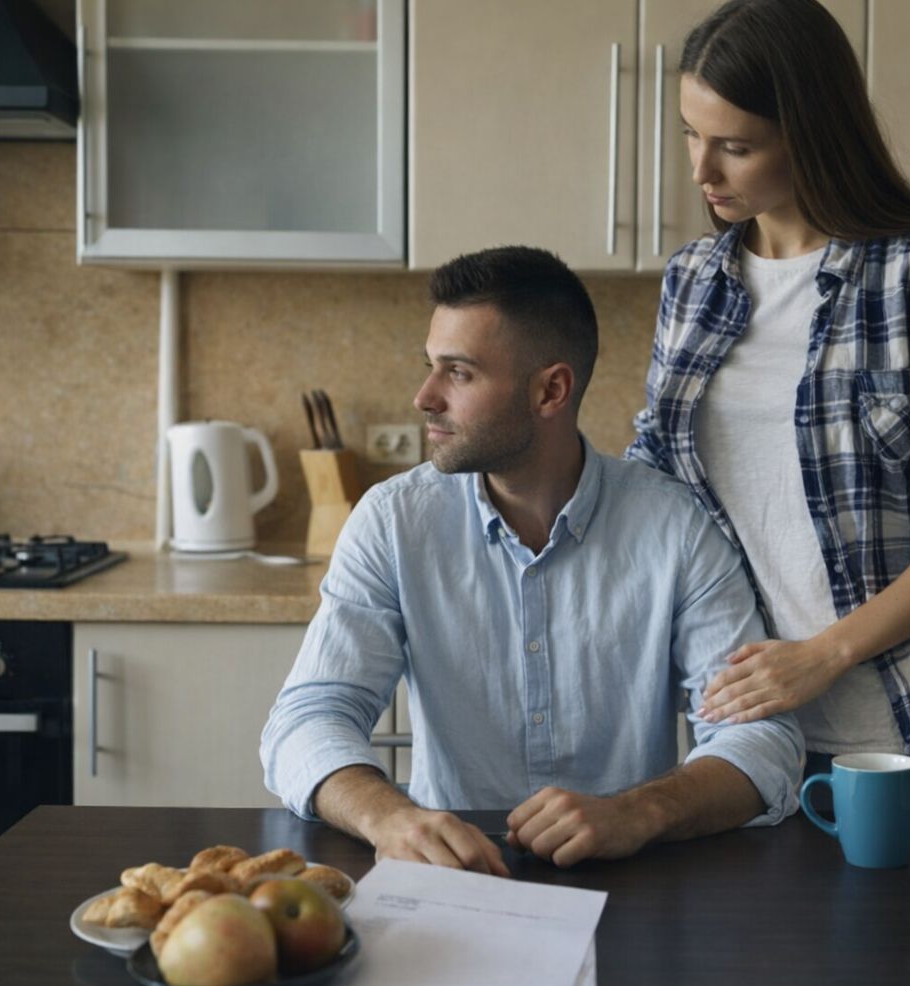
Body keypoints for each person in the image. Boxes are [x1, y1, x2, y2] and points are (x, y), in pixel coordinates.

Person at [261, 245, 803, 873]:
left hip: (629, 882)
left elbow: (763, 741)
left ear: (551, 390)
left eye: (458, 373)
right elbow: (307, 718)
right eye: (431, 366)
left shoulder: (674, 527)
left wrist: (636, 812)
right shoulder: (392, 521)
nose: (424, 397)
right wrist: (391, 817)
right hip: (450, 881)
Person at [627, 0, 910, 811]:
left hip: (881, 726)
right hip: (730, 725)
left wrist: (823, 654)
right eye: (689, 136)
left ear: (810, 132)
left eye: (735, 147)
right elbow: (655, 480)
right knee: (729, 942)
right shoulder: (693, 279)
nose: (702, 171)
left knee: (875, 942)